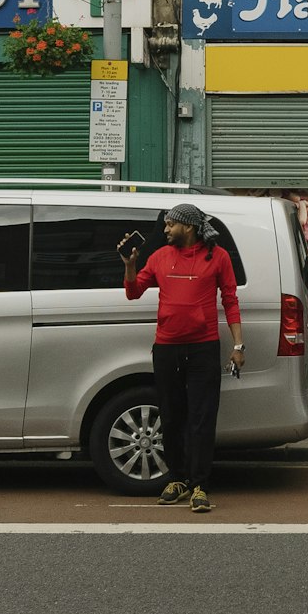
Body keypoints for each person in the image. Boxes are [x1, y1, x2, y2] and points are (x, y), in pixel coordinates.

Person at [120, 203, 244, 511]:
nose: (165, 230)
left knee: (202, 418)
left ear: (187, 227)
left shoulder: (218, 257)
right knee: (172, 417)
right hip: (166, 348)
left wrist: (238, 346)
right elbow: (133, 292)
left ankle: (200, 484)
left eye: (170, 224)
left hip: (203, 348)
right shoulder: (161, 257)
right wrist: (129, 264)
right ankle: (177, 479)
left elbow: (230, 300)